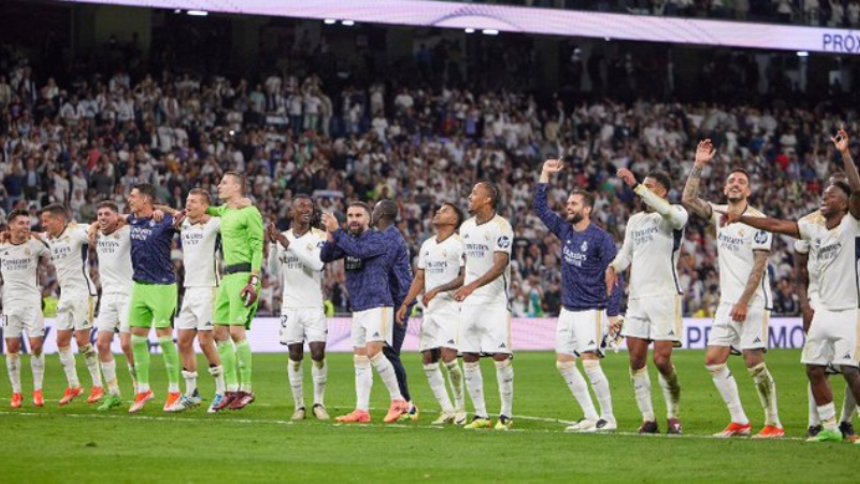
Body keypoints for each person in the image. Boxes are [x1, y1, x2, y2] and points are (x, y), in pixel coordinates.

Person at [722, 129, 860, 443]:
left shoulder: (854, 224)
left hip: (852, 310)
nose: (825, 198)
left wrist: (845, 154)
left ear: (846, 202)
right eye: (824, 195)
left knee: (851, 370)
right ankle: (828, 428)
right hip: (824, 310)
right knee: (813, 367)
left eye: (832, 195)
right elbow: (774, 225)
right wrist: (741, 218)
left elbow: (858, 190)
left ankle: (845, 423)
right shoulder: (814, 230)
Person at [681, 140, 783, 438]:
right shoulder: (719, 212)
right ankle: (740, 421)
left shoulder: (760, 221)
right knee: (714, 360)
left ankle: (773, 423)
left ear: (749, 191)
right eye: (731, 181)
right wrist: (699, 164)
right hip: (728, 302)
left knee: (754, 361)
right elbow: (688, 199)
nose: (735, 184)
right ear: (725, 190)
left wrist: (743, 302)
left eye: (741, 181)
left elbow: (759, 265)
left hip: (752, 302)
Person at [535, 159, 622, 432]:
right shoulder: (565, 231)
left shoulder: (601, 239)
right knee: (564, 364)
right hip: (567, 310)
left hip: (592, 310)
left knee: (590, 363)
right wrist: (545, 174)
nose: (567, 207)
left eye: (573, 204)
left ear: (587, 209)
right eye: (568, 203)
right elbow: (540, 208)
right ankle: (589, 416)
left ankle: (608, 417)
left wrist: (613, 313)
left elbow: (614, 277)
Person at [606, 168, 687, 435]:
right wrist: (613, 268)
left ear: (663, 192)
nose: (644, 190)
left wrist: (636, 186)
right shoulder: (634, 221)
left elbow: (671, 215)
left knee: (662, 360)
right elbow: (626, 253)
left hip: (665, 297)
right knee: (636, 359)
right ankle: (648, 418)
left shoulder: (675, 214)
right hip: (637, 299)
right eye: (644, 187)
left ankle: (674, 415)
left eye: (651, 187)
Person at [320, 202, 409, 424]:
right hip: (358, 306)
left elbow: (359, 251)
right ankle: (362, 410)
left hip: (379, 304)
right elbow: (325, 256)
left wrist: (338, 231)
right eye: (350, 215)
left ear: (369, 219)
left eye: (359, 215)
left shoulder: (379, 239)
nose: (353, 219)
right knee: (360, 358)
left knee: (374, 352)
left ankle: (399, 401)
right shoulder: (348, 240)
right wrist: (331, 235)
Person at [397, 202, 467, 425]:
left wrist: (437, 289)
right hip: (430, 311)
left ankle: (461, 408)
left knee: (450, 359)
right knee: (428, 358)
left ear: (454, 220)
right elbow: (420, 278)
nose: (438, 212)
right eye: (438, 210)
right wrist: (406, 304)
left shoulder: (459, 244)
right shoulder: (427, 244)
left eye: (445, 210)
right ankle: (446, 409)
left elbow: (466, 276)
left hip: (452, 308)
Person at [453, 182, 515, 431]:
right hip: (470, 302)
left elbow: (500, 264)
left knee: (500, 357)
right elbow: (467, 264)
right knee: (469, 356)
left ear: (488, 199)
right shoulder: (466, 227)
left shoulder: (502, 226)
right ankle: (480, 415)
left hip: (494, 301)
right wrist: (463, 286)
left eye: (474, 194)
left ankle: (506, 415)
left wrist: (472, 286)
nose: (469, 197)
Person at [267, 194, 330, 421]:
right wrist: (274, 246)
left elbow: (318, 264)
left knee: (318, 352)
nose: (306, 209)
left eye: (310, 207)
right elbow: (273, 271)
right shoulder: (282, 238)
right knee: (295, 354)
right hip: (291, 306)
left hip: (313, 305)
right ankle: (299, 405)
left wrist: (288, 244)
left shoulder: (320, 237)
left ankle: (319, 403)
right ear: (291, 211)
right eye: (301, 206)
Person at [206, 172, 265, 411]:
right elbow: (206, 210)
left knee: (236, 332)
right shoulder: (225, 211)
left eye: (224, 182)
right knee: (219, 331)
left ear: (238, 186)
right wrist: (172, 210)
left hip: (243, 276)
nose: (219, 185)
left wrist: (254, 278)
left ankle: (247, 389)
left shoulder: (249, 212)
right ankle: (231, 389)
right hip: (227, 277)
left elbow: (257, 245)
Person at [125, 183, 182, 413]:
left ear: (146, 200)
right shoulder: (132, 219)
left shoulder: (164, 220)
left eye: (133, 196)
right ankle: (144, 390)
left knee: (164, 336)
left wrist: (163, 210)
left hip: (163, 286)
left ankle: (175, 392)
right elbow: (112, 218)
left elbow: (182, 215)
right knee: (136, 338)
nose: (130, 199)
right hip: (139, 285)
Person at [39, 204, 103, 405]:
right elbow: (33, 235)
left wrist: (93, 226)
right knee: (61, 341)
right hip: (65, 295)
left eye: (46, 220)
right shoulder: (50, 237)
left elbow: (97, 226)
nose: (43, 224)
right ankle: (74, 386)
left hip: (83, 293)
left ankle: (98, 386)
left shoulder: (76, 231)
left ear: (58, 220)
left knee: (83, 342)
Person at [173, 189, 228, 413]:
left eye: (193, 202)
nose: (188, 205)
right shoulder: (184, 223)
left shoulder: (214, 224)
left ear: (205, 206)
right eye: (187, 201)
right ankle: (192, 393)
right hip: (189, 289)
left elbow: (229, 218)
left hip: (208, 288)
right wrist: (167, 212)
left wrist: (212, 213)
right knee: (184, 341)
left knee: (206, 341)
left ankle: (221, 392)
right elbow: (173, 214)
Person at [1, 210, 51, 408]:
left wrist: (44, 239)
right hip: (9, 304)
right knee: (12, 347)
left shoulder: (35, 244)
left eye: (28, 223)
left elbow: (55, 252)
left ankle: (38, 391)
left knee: (36, 345)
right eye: (21, 223)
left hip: (32, 302)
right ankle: (16, 393)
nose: (26, 226)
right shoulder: (2, 244)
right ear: (11, 226)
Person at [90, 201, 136, 410]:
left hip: (128, 294)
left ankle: (140, 388)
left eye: (107, 214)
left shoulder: (127, 231)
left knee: (126, 344)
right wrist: (93, 226)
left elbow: (138, 218)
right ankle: (114, 393)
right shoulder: (96, 233)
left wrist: (122, 217)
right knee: (101, 344)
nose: (102, 218)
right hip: (107, 296)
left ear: (117, 216)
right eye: (99, 214)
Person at [374, 199, 417, 420]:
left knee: (390, 353)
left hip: (399, 301)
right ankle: (404, 402)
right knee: (387, 353)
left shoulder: (389, 238)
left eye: (374, 209)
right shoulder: (388, 236)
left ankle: (407, 404)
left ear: (381, 213)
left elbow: (379, 265)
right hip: (393, 300)